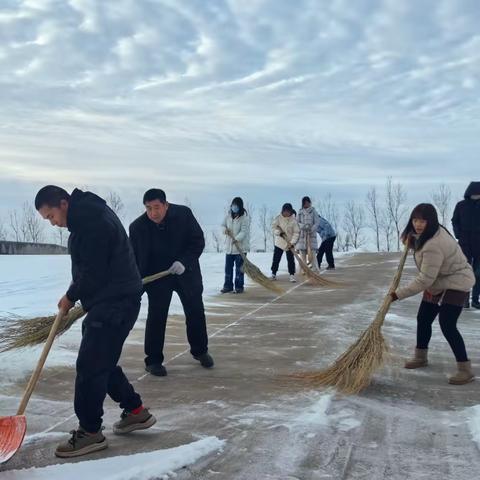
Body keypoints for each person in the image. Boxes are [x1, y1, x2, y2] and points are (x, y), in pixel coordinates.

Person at [35, 186, 156, 458]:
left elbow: (94, 272)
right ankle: (135, 411)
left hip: (115, 302)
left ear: (63, 204)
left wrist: (70, 296)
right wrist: (74, 292)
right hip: (113, 299)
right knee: (101, 358)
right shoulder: (88, 215)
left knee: (90, 366)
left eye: (51, 216)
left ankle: (90, 432)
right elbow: (89, 267)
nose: (53, 223)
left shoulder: (91, 222)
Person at [129, 189, 213, 377]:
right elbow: (134, 258)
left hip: (186, 272)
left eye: (157, 207)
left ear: (166, 205)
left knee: (195, 311)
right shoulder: (138, 228)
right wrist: (135, 285)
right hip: (157, 277)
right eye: (148, 208)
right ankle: (153, 360)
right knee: (157, 317)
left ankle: (200, 351)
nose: (153, 213)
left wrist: (184, 262)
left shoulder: (183, 215)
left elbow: (197, 241)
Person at [391, 203, 475, 385]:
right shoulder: (430, 233)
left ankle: (465, 369)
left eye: (423, 220)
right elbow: (429, 272)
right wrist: (412, 241)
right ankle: (421, 357)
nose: (418, 224)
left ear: (431, 221)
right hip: (439, 280)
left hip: (457, 281)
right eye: (415, 220)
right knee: (423, 318)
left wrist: (397, 294)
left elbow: (424, 280)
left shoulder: (433, 245)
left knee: (447, 323)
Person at [452, 181, 480, 309]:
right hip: (465, 243)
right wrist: (458, 234)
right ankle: (464, 300)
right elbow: (455, 221)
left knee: (478, 273)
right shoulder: (461, 205)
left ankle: (475, 299)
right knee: (465, 272)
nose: (476, 195)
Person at [221, 197, 250, 294]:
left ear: (240, 207)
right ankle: (228, 286)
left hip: (240, 248)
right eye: (233, 205)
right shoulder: (228, 216)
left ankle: (239, 287)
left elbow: (244, 232)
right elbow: (222, 225)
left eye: (236, 205)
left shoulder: (244, 218)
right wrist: (225, 230)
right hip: (229, 248)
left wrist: (237, 239)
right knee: (228, 269)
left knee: (239, 269)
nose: (234, 207)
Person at [271, 203, 300, 282]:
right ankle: (273, 273)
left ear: (290, 212)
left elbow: (296, 232)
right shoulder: (278, 218)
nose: (286, 213)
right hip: (279, 243)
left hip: (289, 243)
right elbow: (273, 227)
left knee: (290, 260)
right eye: (285, 211)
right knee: (276, 259)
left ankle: (292, 275)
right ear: (282, 211)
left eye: (288, 211)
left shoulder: (293, 221)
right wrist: (279, 233)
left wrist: (292, 242)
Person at [296, 196, 320, 272]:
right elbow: (297, 223)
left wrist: (311, 229)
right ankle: (303, 271)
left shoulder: (314, 211)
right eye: (305, 203)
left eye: (307, 202)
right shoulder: (300, 212)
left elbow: (317, 223)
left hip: (311, 236)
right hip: (302, 237)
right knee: (302, 255)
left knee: (312, 255)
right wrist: (303, 226)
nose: (306, 204)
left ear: (310, 203)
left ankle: (315, 270)